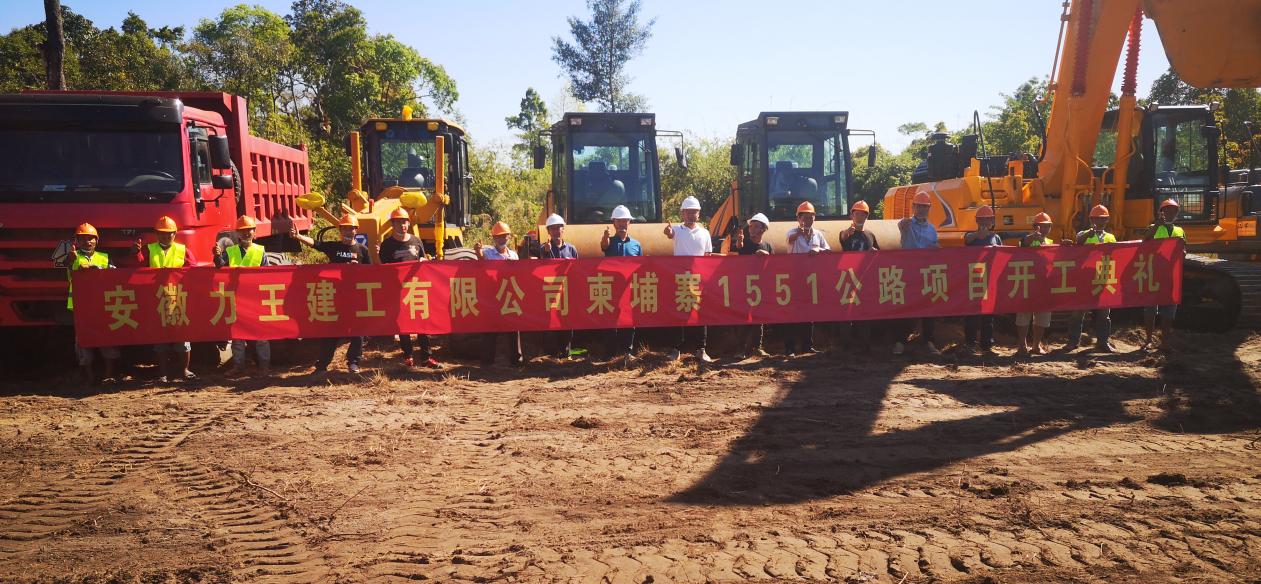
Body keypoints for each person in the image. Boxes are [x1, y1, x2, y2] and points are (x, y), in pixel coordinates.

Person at [289, 214, 372, 373]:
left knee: (358, 332)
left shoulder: (362, 250)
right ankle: (322, 366)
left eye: (352, 228)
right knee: (331, 332)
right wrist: (299, 237)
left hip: (355, 298)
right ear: (340, 230)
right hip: (334, 297)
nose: (349, 231)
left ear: (357, 230)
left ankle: (353, 362)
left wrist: (358, 269)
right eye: (346, 228)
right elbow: (316, 244)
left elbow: (371, 272)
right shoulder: (334, 247)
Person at [130, 216, 197, 383]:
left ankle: (185, 370)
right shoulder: (148, 249)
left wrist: (175, 271)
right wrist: (135, 253)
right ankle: (163, 373)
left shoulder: (183, 250)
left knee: (182, 338)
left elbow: (194, 270)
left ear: (175, 234)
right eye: (163, 233)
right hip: (156, 300)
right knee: (161, 340)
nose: (166, 236)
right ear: (156, 234)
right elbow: (138, 265)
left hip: (177, 299)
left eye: (170, 233)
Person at [213, 215, 272, 377]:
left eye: (249, 230)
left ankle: (265, 367)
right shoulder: (230, 251)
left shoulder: (260, 251)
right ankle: (238, 367)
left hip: (255, 299)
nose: (247, 233)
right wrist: (217, 256)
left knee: (261, 336)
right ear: (238, 233)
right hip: (236, 299)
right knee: (237, 336)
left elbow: (267, 275)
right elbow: (219, 268)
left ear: (255, 231)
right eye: (243, 230)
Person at [378, 207, 438, 368]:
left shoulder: (416, 241)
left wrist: (423, 262)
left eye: (405, 221)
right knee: (403, 325)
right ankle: (408, 357)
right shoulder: (387, 245)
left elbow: (423, 259)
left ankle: (427, 358)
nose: (402, 225)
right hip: (398, 289)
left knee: (422, 323)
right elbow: (383, 268)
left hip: (416, 288)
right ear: (393, 224)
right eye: (399, 221)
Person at [67, 223, 120, 385]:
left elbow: (113, 274)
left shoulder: (104, 257)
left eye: (90, 239)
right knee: (84, 343)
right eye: (82, 239)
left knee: (107, 340)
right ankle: (90, 377)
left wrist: (92, 267)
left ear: (96, 241)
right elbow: (70, 276)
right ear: (77, 241)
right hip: (81, 307)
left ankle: (109, 374)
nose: (86, 242)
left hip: (103, 305)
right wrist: (72, 262)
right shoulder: (72, 257)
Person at [664, 196, 714, 362]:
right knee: (678, 314)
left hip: (698, 282)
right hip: (680, 281)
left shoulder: (705, 233)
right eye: (688, 212)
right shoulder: (677, 231)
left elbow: (708, 257)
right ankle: (675, 349)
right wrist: (669, 232)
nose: (691, 215)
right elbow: (670, 234)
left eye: (694, 212)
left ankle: (701, 349)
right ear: (683, 214)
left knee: (700, 315)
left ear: (698, 214)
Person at [895, 191, 942, 356]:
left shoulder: (932, 229)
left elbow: (936, 245)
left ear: (928, 208)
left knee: (928, 309)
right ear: (913, 207)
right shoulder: (907, 224)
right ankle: (900, 342)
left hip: (926, 274)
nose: (921, 209)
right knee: (904, 308)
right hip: (908, 273)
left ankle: (929, 341)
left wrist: (936, 247)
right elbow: (901, 225)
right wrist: (905, 224)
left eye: (924, 206)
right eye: (918, 206)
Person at [1067, 205, 1118, 353]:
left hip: (1103, 279)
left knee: (1104, 314)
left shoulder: (1110, 237)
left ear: (1107, 220)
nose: (1099, 222)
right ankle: (1073, 341)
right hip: (1085, 279)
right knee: (1078, 312)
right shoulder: (1084, 234)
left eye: (1102, 219)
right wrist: (1089, 234)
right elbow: (1079, 240)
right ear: (1090, 220)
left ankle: (1103, 341)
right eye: (1096, 219)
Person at [783, 201, 829, 356]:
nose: (808, 221)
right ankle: (789, 348)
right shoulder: (791, 233)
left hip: (812, 281)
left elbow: (828, 251)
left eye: (811, 218)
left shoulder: (818, 235)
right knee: (792, 314)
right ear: (799, 219)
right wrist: (800, 233)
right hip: (795, 279)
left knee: (808, 313)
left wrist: (819, 249)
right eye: (805, 218)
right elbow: (791, 239)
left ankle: (807, 346)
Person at [474, 222, 522, 366]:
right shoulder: (489, 254)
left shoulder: (513, 255)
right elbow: (481, 260)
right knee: (490, 330)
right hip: (492, 297)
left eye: (505, 237)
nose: (502, 240)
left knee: (514, 329)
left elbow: (519, 276)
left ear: (509, 237)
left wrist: (514, 266)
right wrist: (478, 252)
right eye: (499, 237)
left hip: (509, 297)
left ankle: (517, 360)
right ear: (494, 238)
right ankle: (487, 362)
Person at [1142, 198, 1185, 352]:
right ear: (1161, 213)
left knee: (1168, 310)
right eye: (1166, 211)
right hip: (1154, 273)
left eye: (1172, 211)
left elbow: (1183, 249)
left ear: (1176, 213)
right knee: (1150, 308)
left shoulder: (1179, 231)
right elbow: (1147, 238)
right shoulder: (1153, 227)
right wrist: (1158, 224)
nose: (1169, 213)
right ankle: (1148, 341)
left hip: (1171, 275)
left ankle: (1165, 342)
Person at [601, 205, 642, 363]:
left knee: (629, 320)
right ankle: (610, 353)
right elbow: (604, 246)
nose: (622, 224)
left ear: (629, 223)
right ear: (614, 223)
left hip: (629, 289)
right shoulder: (610, 242)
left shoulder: (636, 245)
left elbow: (641, 265)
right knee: (610, 321)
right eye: (619, 221)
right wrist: (605, 237)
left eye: (625, 221)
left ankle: (627, 351)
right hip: (611, 288)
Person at [731, 213, 773, 359]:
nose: (752, 229)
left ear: (764, 229)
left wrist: (766, 255)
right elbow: (738, 248)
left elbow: (773, 265)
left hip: (760, 287)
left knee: (758, 319)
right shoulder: (745, 243)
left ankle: (757, 347)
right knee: (743, 318)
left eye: (756, 226)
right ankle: (740, 349)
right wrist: (739, 243)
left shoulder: (767, 246)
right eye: (751, 226)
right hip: (745, 286)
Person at [962, 205, 1004, 353]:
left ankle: (987, 344)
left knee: (988, 315)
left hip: (989, 280)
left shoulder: (996, 238)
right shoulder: (972, 236)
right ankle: (970, 343)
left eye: (988, 219)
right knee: (972, 313)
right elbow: (966, 239)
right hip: (974, 280)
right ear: (977, 221)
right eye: (982, 219)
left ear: (992, 220)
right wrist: (978, 234)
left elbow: (1001, 256)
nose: (985, 222)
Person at [839, 200, 879, 352]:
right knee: (846, 312)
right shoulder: (847, 233)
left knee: (864, 311)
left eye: (863, 215)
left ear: (867, 217)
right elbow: (842, 238)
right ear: (852, 216)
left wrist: (874, 252)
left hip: (864, 278)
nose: (860, 218)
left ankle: (865, 342)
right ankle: (846, 344)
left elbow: (877, 252)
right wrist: (846, 234)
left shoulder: (870, 235)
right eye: (857, 215)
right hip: (848, 278)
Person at [540, 213, 579, 360]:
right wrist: (546, 252)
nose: (556, 231)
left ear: (563, 229)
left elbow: (579, 269)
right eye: (553, 229)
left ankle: (566, 353)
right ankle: (550, 355)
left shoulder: (571, 249)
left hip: (567, 293)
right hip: (550, 293)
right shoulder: (544, 248)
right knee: (551, 325)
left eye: (559, 228)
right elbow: (540, 268)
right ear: (548, 231)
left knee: (567, 323)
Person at [1015, 213, 1055, 355]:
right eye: (1039, 226)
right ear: (1033, 227)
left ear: (1050, 227)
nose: (1042, 229)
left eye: (1046, 226)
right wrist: (1033, 237)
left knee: (1042, 317)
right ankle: (1022, 346)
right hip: (1027, 284)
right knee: (1023, 316)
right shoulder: (1029, 240)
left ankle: (1036, 345)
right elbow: (1023, 243)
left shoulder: (1051, 243)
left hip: (1044, 286)